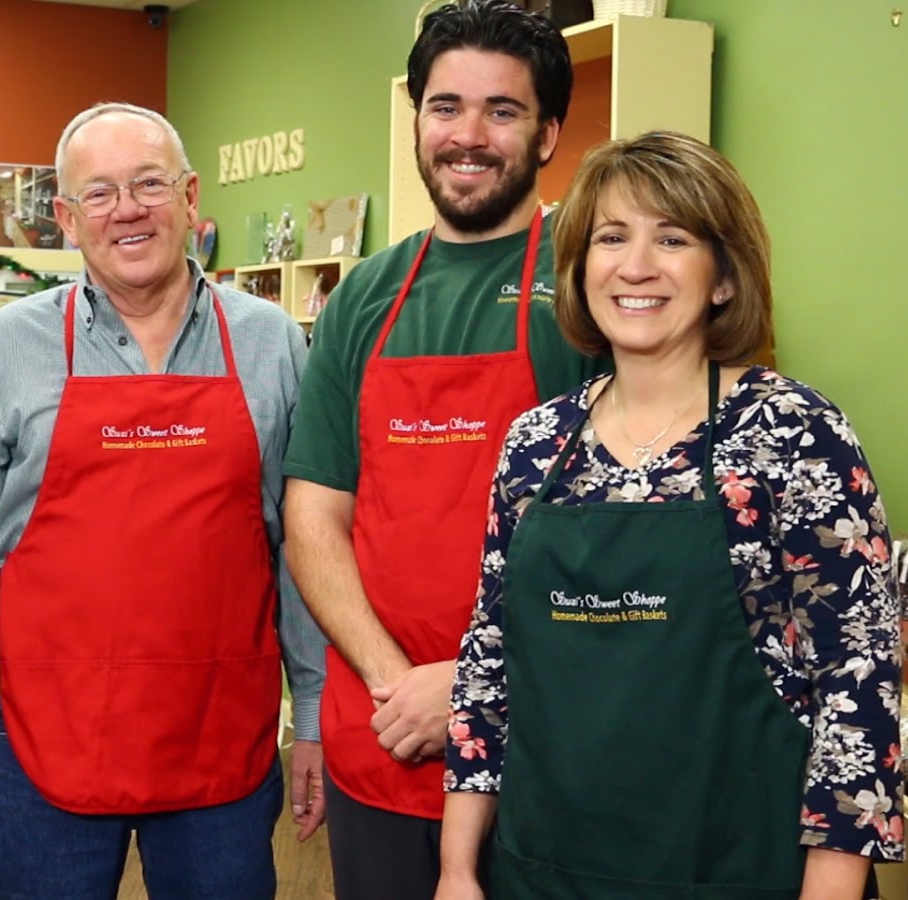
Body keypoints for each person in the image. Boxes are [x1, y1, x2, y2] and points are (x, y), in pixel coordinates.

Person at [438, 131, 905, 899]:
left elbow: (858, 685)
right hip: (547, 869)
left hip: (741, 871)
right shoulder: (537, 445)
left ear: (723, 277)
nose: (636, 265)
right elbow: (489, 667)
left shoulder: (794, 432)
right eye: (611, 238)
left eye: (673, 238)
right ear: (581, 269)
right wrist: (458, 870)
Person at [0, 101, 326, 900]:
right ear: (69, 220)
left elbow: (302, 548)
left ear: (189, 198)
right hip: (49, 744)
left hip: (224, 741)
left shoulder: (272, 340)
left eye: (149, 184)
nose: (128, 210)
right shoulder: (11, 347)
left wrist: (311, 711)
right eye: (99, 194)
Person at [281, 2, 603, 895]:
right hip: (383, 733)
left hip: (545, 740)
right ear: (417, 118)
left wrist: (469, 685)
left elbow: (627, 533)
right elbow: (313, 515)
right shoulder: (364, 298)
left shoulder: (592, 286)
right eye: (444, 106)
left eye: (502, 111)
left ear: (547, 135)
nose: (468, 135)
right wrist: (398, 684)